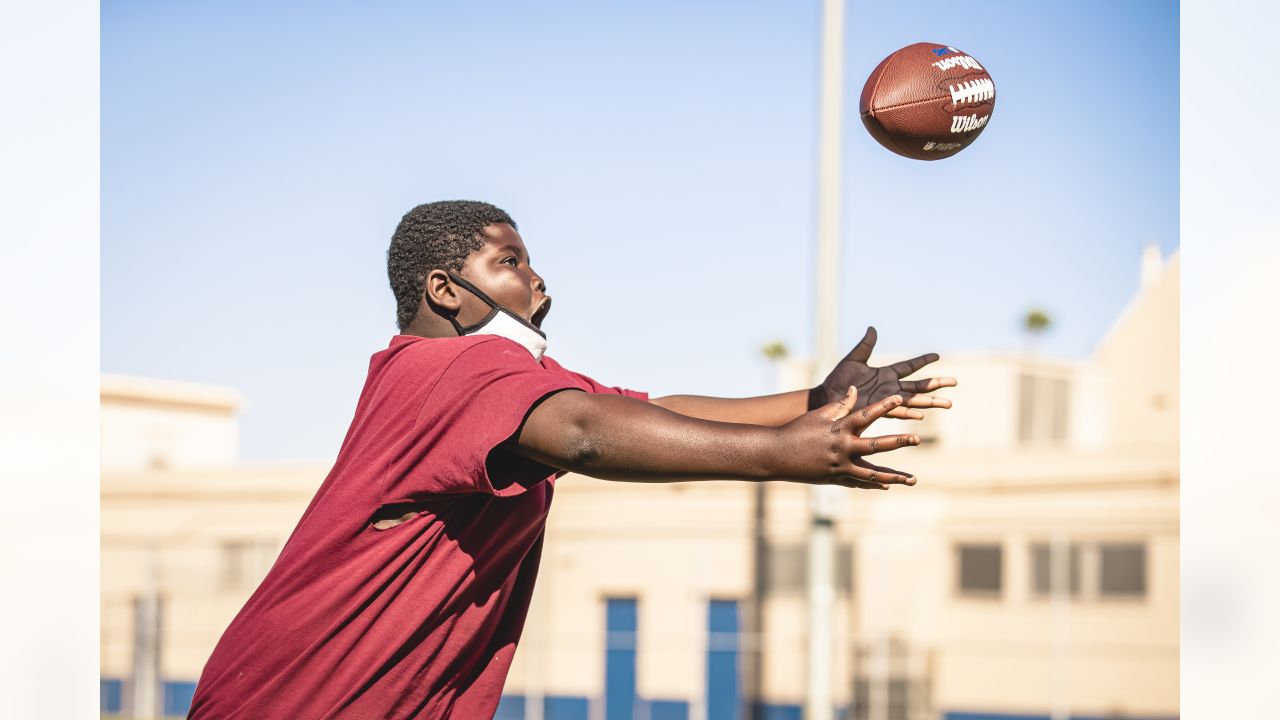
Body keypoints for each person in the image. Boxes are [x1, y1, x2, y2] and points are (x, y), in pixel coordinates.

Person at [187, 200, 956, 719]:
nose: (536, 277)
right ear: (443, 290)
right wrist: (778, 454)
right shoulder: (442, 371)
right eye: (509, 261)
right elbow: (587, 434)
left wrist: (813, 401)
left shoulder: (509, 384)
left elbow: (649, 414)